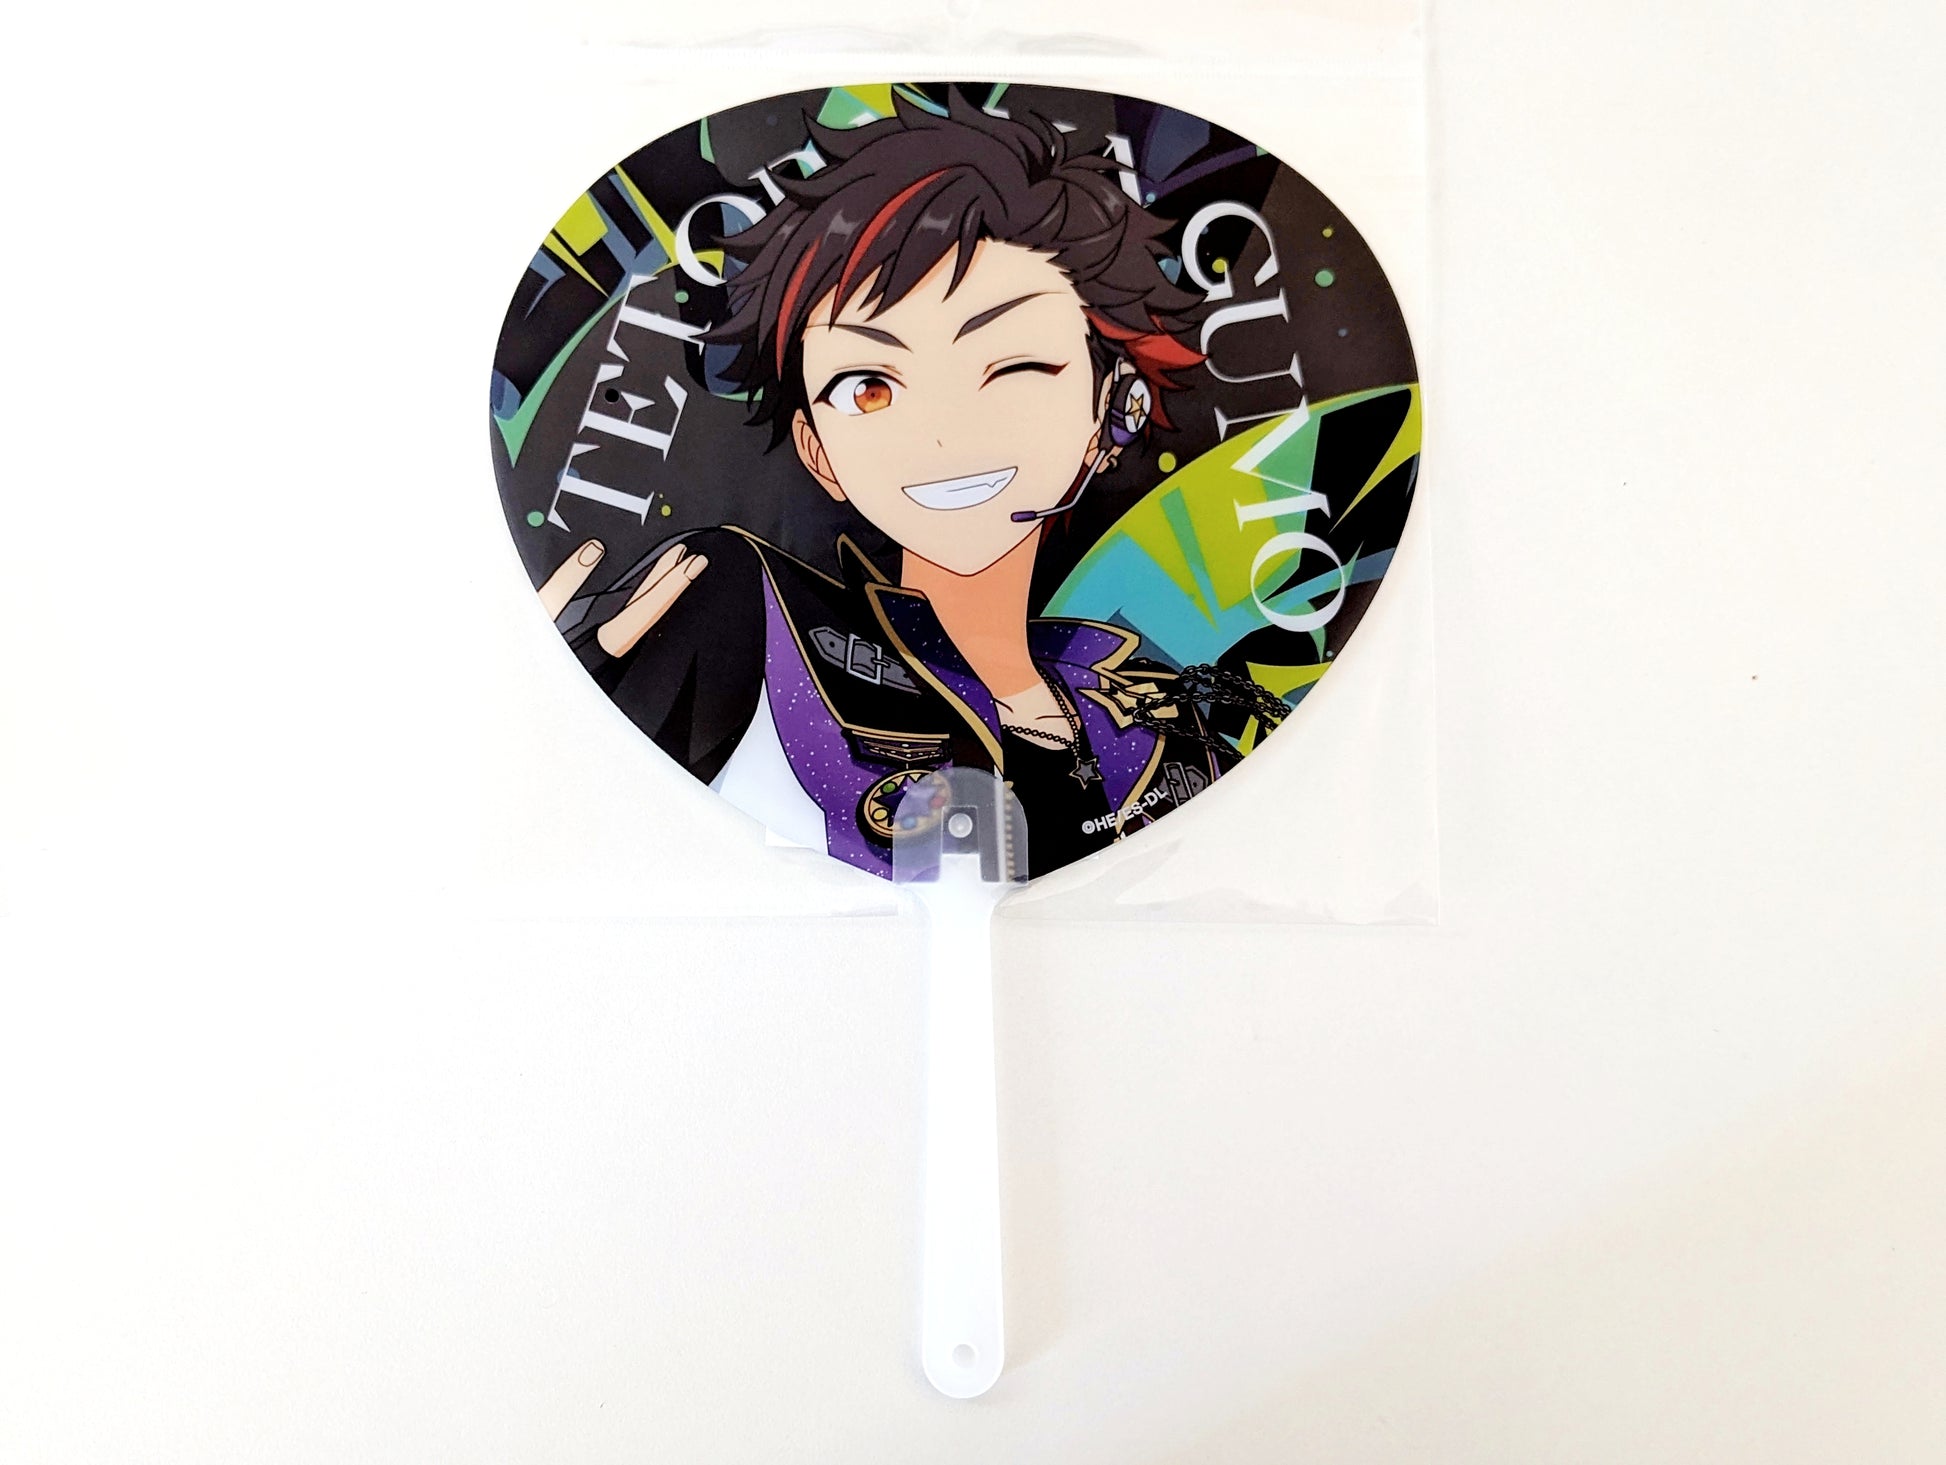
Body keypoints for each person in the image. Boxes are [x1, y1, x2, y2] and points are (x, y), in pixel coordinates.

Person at [536, 93, 1282, 878]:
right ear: (817, 450)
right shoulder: (745, 610)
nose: (943, 435)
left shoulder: (1171, 729)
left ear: (1113, 409)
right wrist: (560, 708)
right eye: (869, 388)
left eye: (1014, 367)